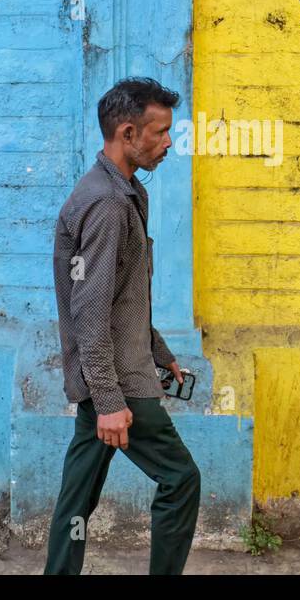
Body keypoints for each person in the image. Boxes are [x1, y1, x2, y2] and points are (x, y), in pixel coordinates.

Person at [44, 77, 201, 574]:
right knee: (180, 480)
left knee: (76, 504)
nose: (169, 142)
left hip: (114, 374)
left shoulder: (122, 191)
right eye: (161, 132)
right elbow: (89, 311)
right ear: (128, 133)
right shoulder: (108, 204)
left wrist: (159, 352)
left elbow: (123, 296)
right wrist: (110, 402)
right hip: (118, 386)